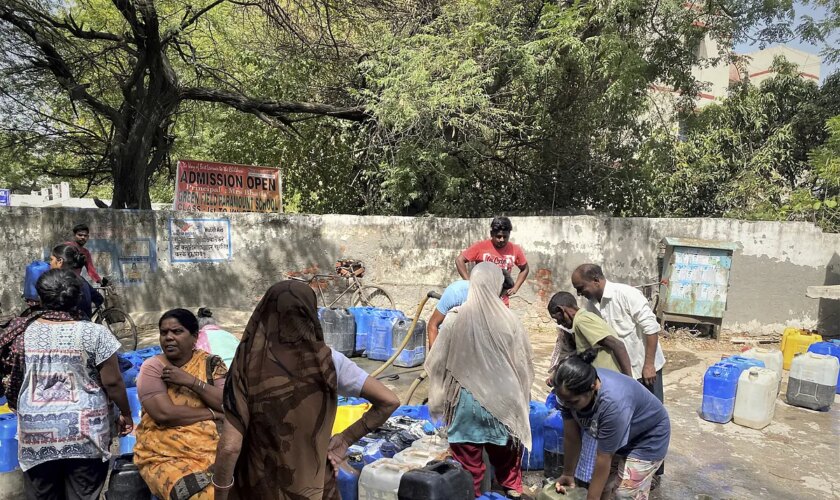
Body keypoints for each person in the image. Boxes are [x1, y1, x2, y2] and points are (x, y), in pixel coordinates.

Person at [211, 280, 399, 500]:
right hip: (316, 487)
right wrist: (346, 439)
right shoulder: (329, 361)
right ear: (310, 315)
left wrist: (221, 493)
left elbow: (230, 446)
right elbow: (389, 401)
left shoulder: (245, 365)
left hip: (258, 488)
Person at [1, 269, 133, 499]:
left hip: (36, 434)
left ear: (41, 297)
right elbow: (113, 382)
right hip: (86, 433)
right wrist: (126, 413)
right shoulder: (95, 333)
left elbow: (13, 376)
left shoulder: (22, 332)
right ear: (78, 297)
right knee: (83, 494)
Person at [425, 262, 534, 498]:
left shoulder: (455, 318)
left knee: (469, 469)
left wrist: (439, 400)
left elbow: (436, 362)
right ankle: (513, 492)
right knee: (507, 466)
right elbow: (523, 367)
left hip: (466, 405)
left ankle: (473, 494)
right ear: (497, 285)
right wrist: (522, 402)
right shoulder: (511, 320)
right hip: (504, 404)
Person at [571, 264, 667, 481]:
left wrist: (649, 364)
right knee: (627, 423)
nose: (579, 293)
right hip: (624, 374)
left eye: (581, 287)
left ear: (596, 280)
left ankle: (654, 475)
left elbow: (651, 329)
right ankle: (627, 471)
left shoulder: (626, 294)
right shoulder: (590, 305)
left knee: (651, 420)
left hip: (645, 369)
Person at [133, 309, 227, 500]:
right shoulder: (153, 367)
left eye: (177, 332)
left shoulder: (210, 363)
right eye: (164, 332)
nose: (168, 337)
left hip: (213, 445)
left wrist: (191, 382)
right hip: (164, 451)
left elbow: (226, 404)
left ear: (194, 337)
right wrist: (212, 413)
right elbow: (164, 414)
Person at [552, 351, 670, 500]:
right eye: (565, 401)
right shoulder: (567, 393)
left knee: (625, 494)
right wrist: (568, 473)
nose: (567, 405)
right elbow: (571, 437)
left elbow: (604, 457)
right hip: (620, 432)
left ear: (593, 386)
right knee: (602, 487)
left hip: (647, 437)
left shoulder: (612, 404)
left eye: (573, 402)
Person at [546, 291, 634, 490]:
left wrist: (630, 381)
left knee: (602, 452)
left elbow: (617, 345)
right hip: (596, 387)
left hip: (605, 389)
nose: (559, 323)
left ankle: (590, 486)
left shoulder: (581, 321)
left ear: (562, 310)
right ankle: (589, 484)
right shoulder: (580, 324)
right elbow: (584, 356)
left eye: (556, 317)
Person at [455, 217, 529, 306]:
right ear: (491, 234)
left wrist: (515, 287)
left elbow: (525, 268)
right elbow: (459, 260)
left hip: (502, 302)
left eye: (505, 237)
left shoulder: (515, 249)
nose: (502, 240)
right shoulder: (480, 246)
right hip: (480, 301)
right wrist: (468, 283)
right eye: (498, 236)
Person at [49, 243, 104, 319]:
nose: (50, 263)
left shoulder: (60, 283)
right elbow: (99, 299)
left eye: (51, 259)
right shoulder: (81, 280)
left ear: (60, 261)